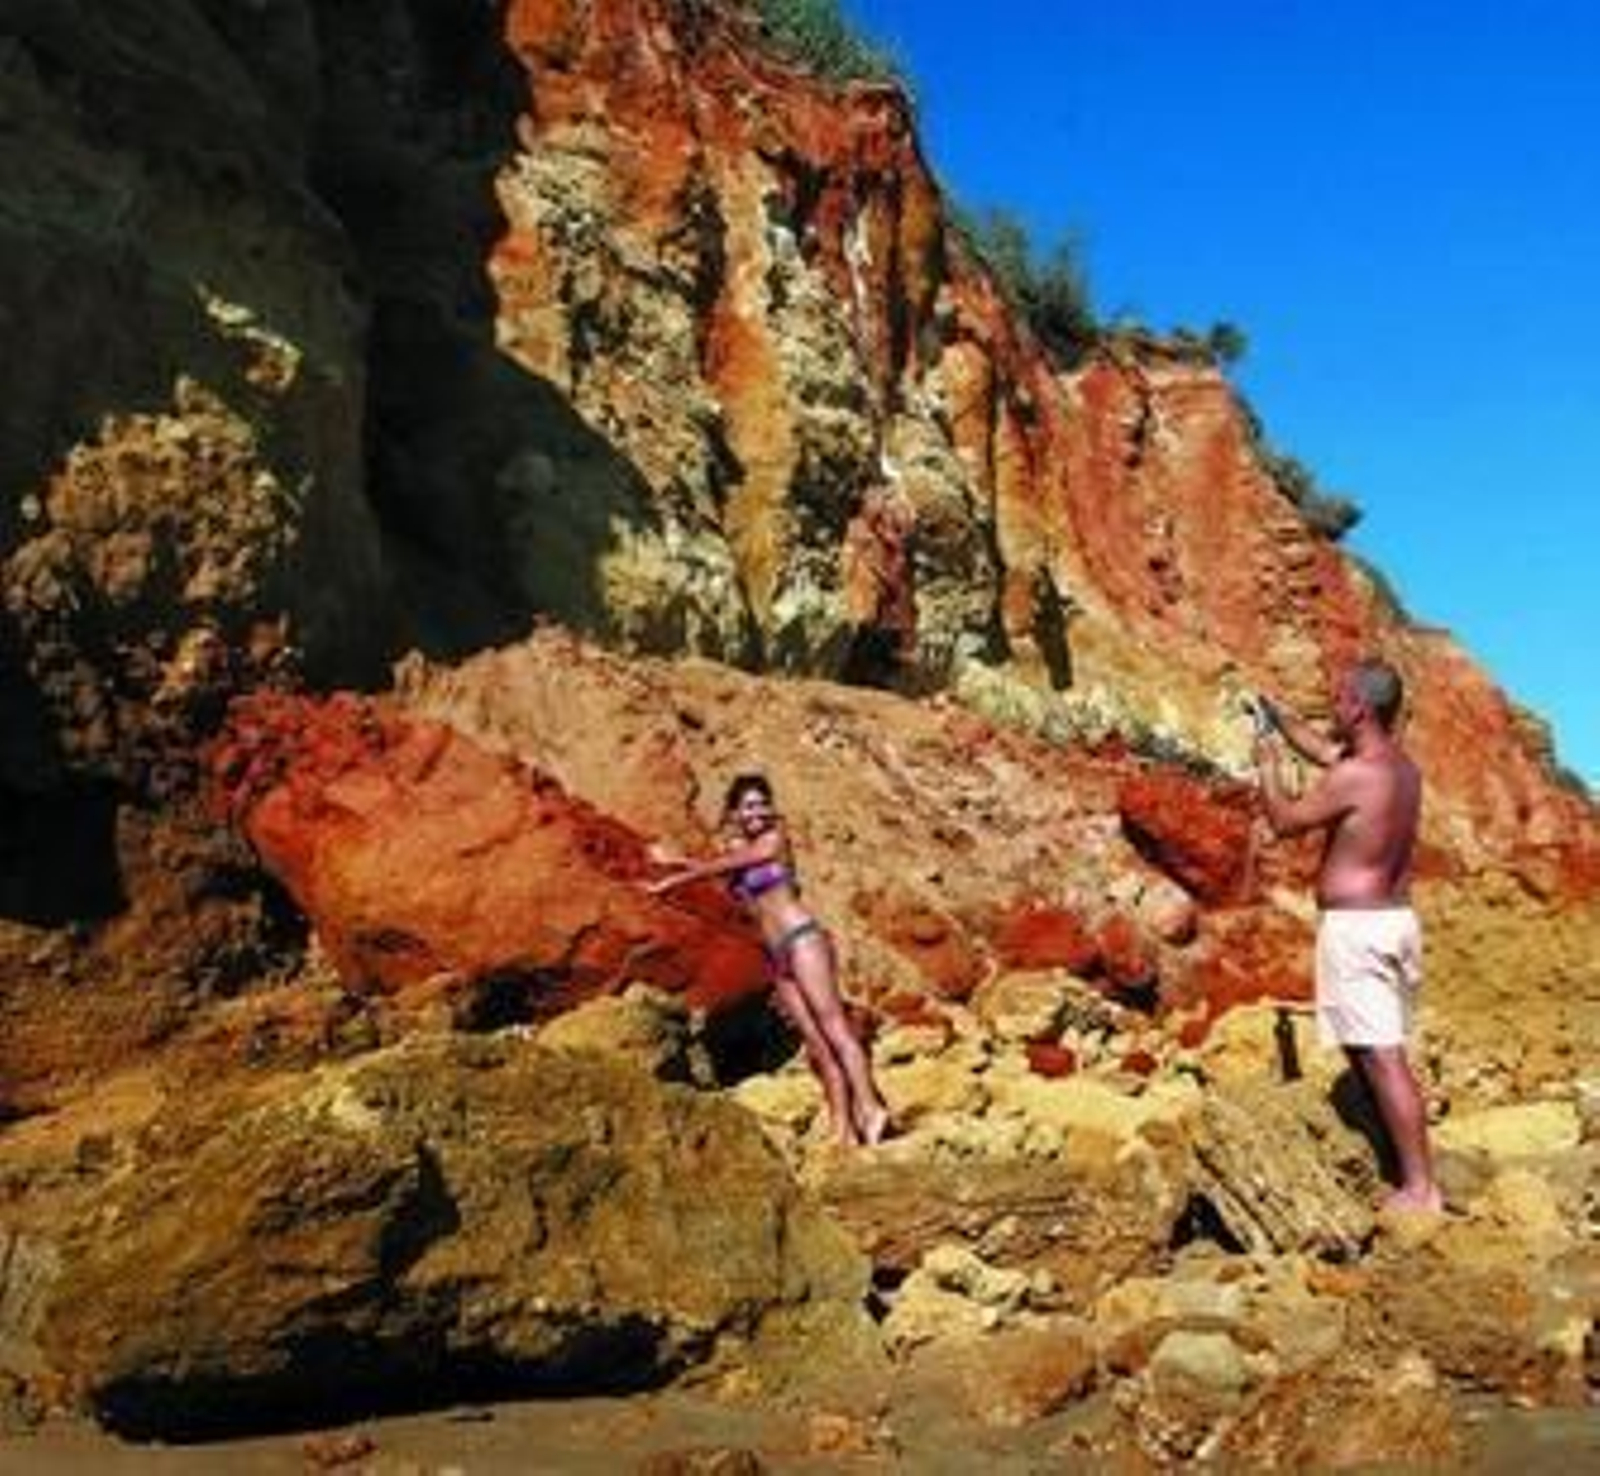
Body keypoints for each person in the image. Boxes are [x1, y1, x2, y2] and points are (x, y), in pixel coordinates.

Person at [1252, 659, 1442, 1213]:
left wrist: (1266, 765)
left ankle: (1421, 1188)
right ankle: (1400, 1166)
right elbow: (1324, 751)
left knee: (1383, 1058)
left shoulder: (1356, 775)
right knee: (1370, 1053)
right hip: (1393, 922)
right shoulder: (1398, 768)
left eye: (1338, 697)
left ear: (1359, 707)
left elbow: (1286, 821)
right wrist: (1280, 720)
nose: (1332, 705)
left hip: (1359, 932)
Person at [647, 773, 891, 1146]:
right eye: (749, 806)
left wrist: (672, 875)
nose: (758, 811)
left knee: (835, 1028)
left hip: (802, 940)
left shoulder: (774, 840)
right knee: (816, 1043)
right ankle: (842, 1129)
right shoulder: (740, 850)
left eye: (763, 804)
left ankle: (871, 1108)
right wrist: (673, 866)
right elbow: (726, 867)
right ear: (735, 812)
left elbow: (722, 866)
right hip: (778, 956)